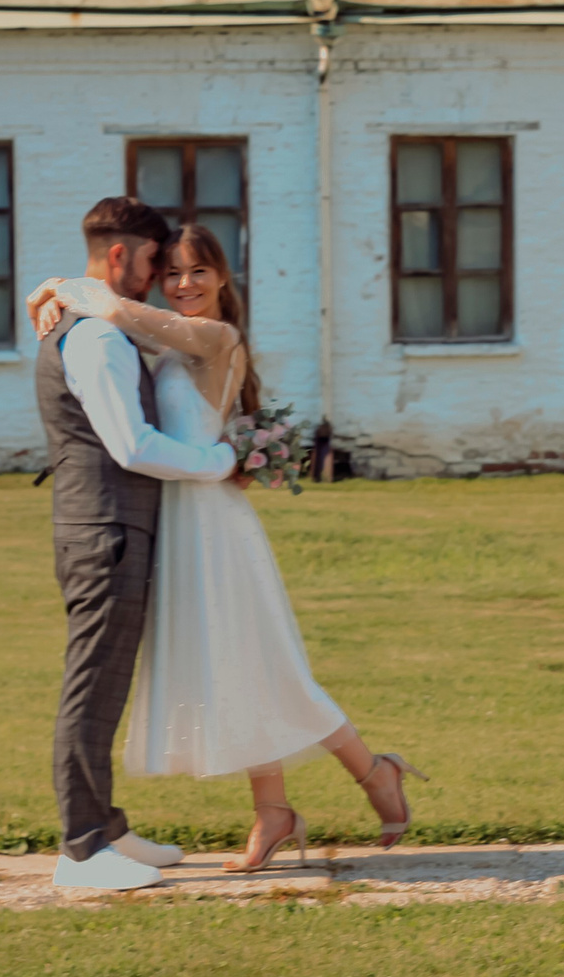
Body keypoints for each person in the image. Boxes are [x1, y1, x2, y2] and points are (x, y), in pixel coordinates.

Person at [29, 223, 423, 874]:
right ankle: (274, 810)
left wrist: (54, 288)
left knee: (267, 668)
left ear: (223, 280)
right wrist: (59, 291)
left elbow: (120, 309)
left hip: (213, 524)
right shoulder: (158, 344)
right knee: (236, 670)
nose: (184, 284)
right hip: (177, 520)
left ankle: (375, 770)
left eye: (198, 272)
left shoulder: (216, 337)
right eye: (173, 273)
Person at [36, 197, 239, 892]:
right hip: (105, 530)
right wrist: (219, 464)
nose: (161, 279)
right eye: (155, 261)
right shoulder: (96, 339)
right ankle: (83, 850)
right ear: (120, 256)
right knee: (91, 689)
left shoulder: (105, 326)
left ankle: (107, 826)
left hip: (113, 527)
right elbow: (130, 444)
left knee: (107, 683)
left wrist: (57, 286)